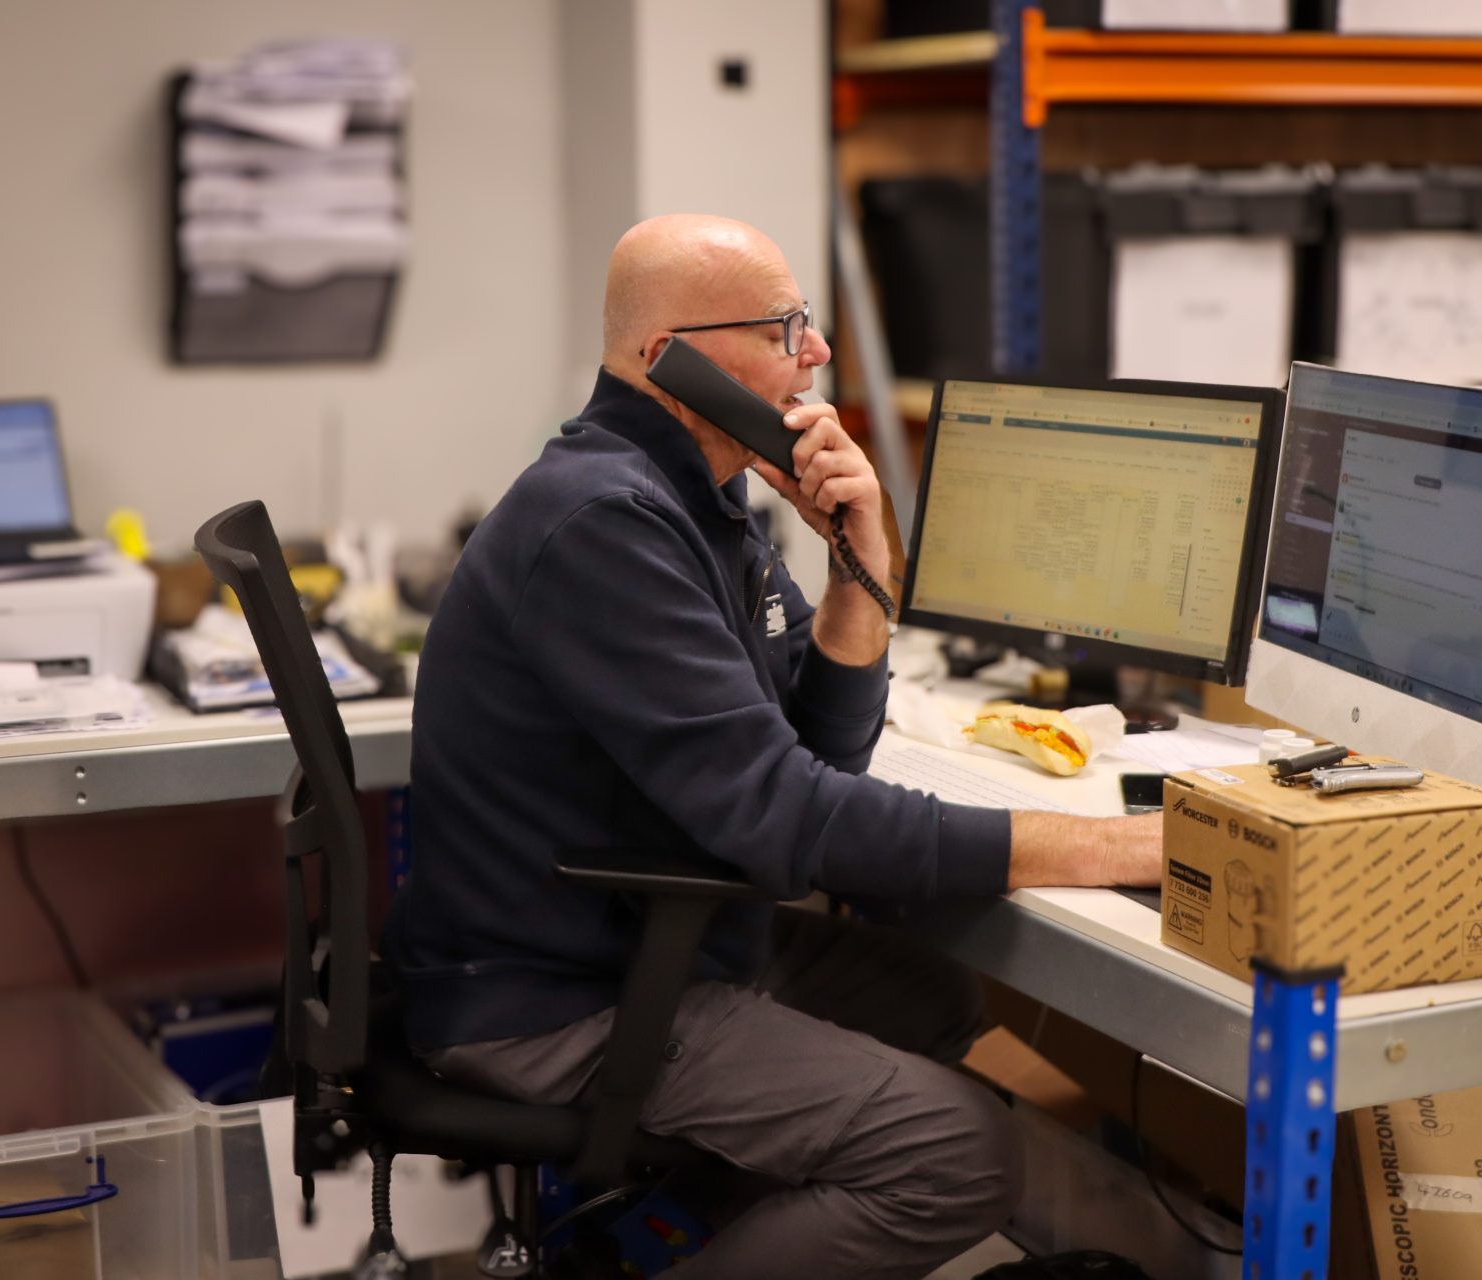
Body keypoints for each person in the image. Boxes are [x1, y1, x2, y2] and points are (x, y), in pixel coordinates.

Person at [384, 214, 1163, 1279]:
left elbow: (820, 749)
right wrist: (1110, 844)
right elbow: (793, 817)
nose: (819, 354)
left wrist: (859, 567)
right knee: (962, 1153)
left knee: (933, 997)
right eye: (784, 327)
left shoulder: (703, 495)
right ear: (673, 360)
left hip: (652, 938)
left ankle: (647, 1246)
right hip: (558, 996)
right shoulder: (605, 522)